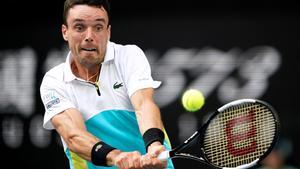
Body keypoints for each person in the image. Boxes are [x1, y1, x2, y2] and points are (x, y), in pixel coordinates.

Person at [40, 0, 174, 168]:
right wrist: (116, 157)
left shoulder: (129, 56)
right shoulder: (54, 80)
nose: (89, 36)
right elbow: (73, 135)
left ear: (108, 32)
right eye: (79, 27)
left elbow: (144, 105)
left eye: (98, 27)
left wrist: (154, 145)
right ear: (65, 32)